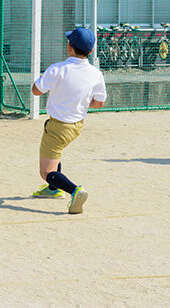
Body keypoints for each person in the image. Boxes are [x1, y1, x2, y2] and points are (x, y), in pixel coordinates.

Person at [30, 27, 107, 214]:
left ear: (69, 47)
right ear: (90, 51)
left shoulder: (58, 69)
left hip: (58, 126)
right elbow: (99, 103)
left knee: (46, 172)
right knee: (56, 153)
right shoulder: (95, 73)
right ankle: (54, 190)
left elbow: (36, 90)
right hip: (77, 126)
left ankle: (74, 190)